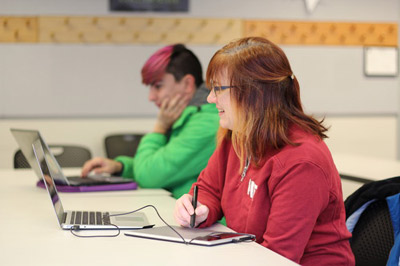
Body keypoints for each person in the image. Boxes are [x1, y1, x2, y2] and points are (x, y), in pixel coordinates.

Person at [174, 37, 355, 265]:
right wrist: (197, 207)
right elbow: (210, 189)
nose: (210, 98)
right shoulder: (238, 136)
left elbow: (277, 258)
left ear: (254, 94)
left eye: (218, 89)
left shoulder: (302, 162)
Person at [81, 44, 219, 199]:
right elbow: (159, 165)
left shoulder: (207, 123)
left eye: (158, 86)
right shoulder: (190, 116)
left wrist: (159, 128)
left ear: (187, 84)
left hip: (207, 222)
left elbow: (148, 176)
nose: (151, 97)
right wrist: (121, 167)